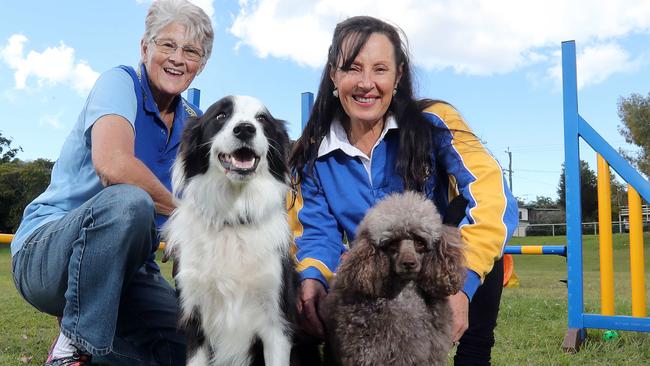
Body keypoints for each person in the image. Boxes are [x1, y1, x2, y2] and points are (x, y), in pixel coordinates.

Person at [289, 16, 518, 365]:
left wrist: (462, 283)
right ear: (334, 75)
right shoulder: (312, 154)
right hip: (372, 277)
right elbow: (317, 234)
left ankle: (474, 355)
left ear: (398, 76)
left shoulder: (434, 121)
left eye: (380, 69)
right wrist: (312, 279)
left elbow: (492, 197)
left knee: (464, 223)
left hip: (432, 269)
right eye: (353, 68)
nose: (367, 83)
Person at [10, 0, 213, 364]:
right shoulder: (120, 82)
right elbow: (113, 166)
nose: (178, 58)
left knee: (186, 350)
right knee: (129, 201)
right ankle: (72, 347)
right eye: (167, 44)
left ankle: (100, 348)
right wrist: (187, 219)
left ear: (202, 64)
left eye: (191, 51)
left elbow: (190, 229)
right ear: (144, 47)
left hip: (129, 270)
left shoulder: (192, 124)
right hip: (47, 253)